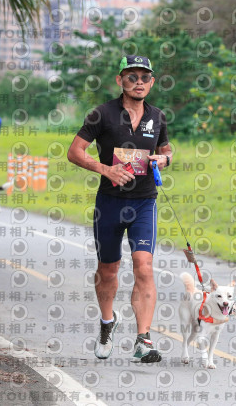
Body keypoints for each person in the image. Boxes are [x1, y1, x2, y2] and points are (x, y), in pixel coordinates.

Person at [67, 55, 172, 363]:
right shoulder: (102, 114)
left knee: (144, 266)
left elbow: (166, 150)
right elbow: (74, 152)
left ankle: (143, 340)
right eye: (132, 76)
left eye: (144, 77)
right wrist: (106, 169)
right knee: (108, 269)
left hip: (144, 202)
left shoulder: (158, 117)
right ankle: (107, 322)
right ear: (120, 80)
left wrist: (164, 159)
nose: (138, 82)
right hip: (110, 203)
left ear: (152, 82)